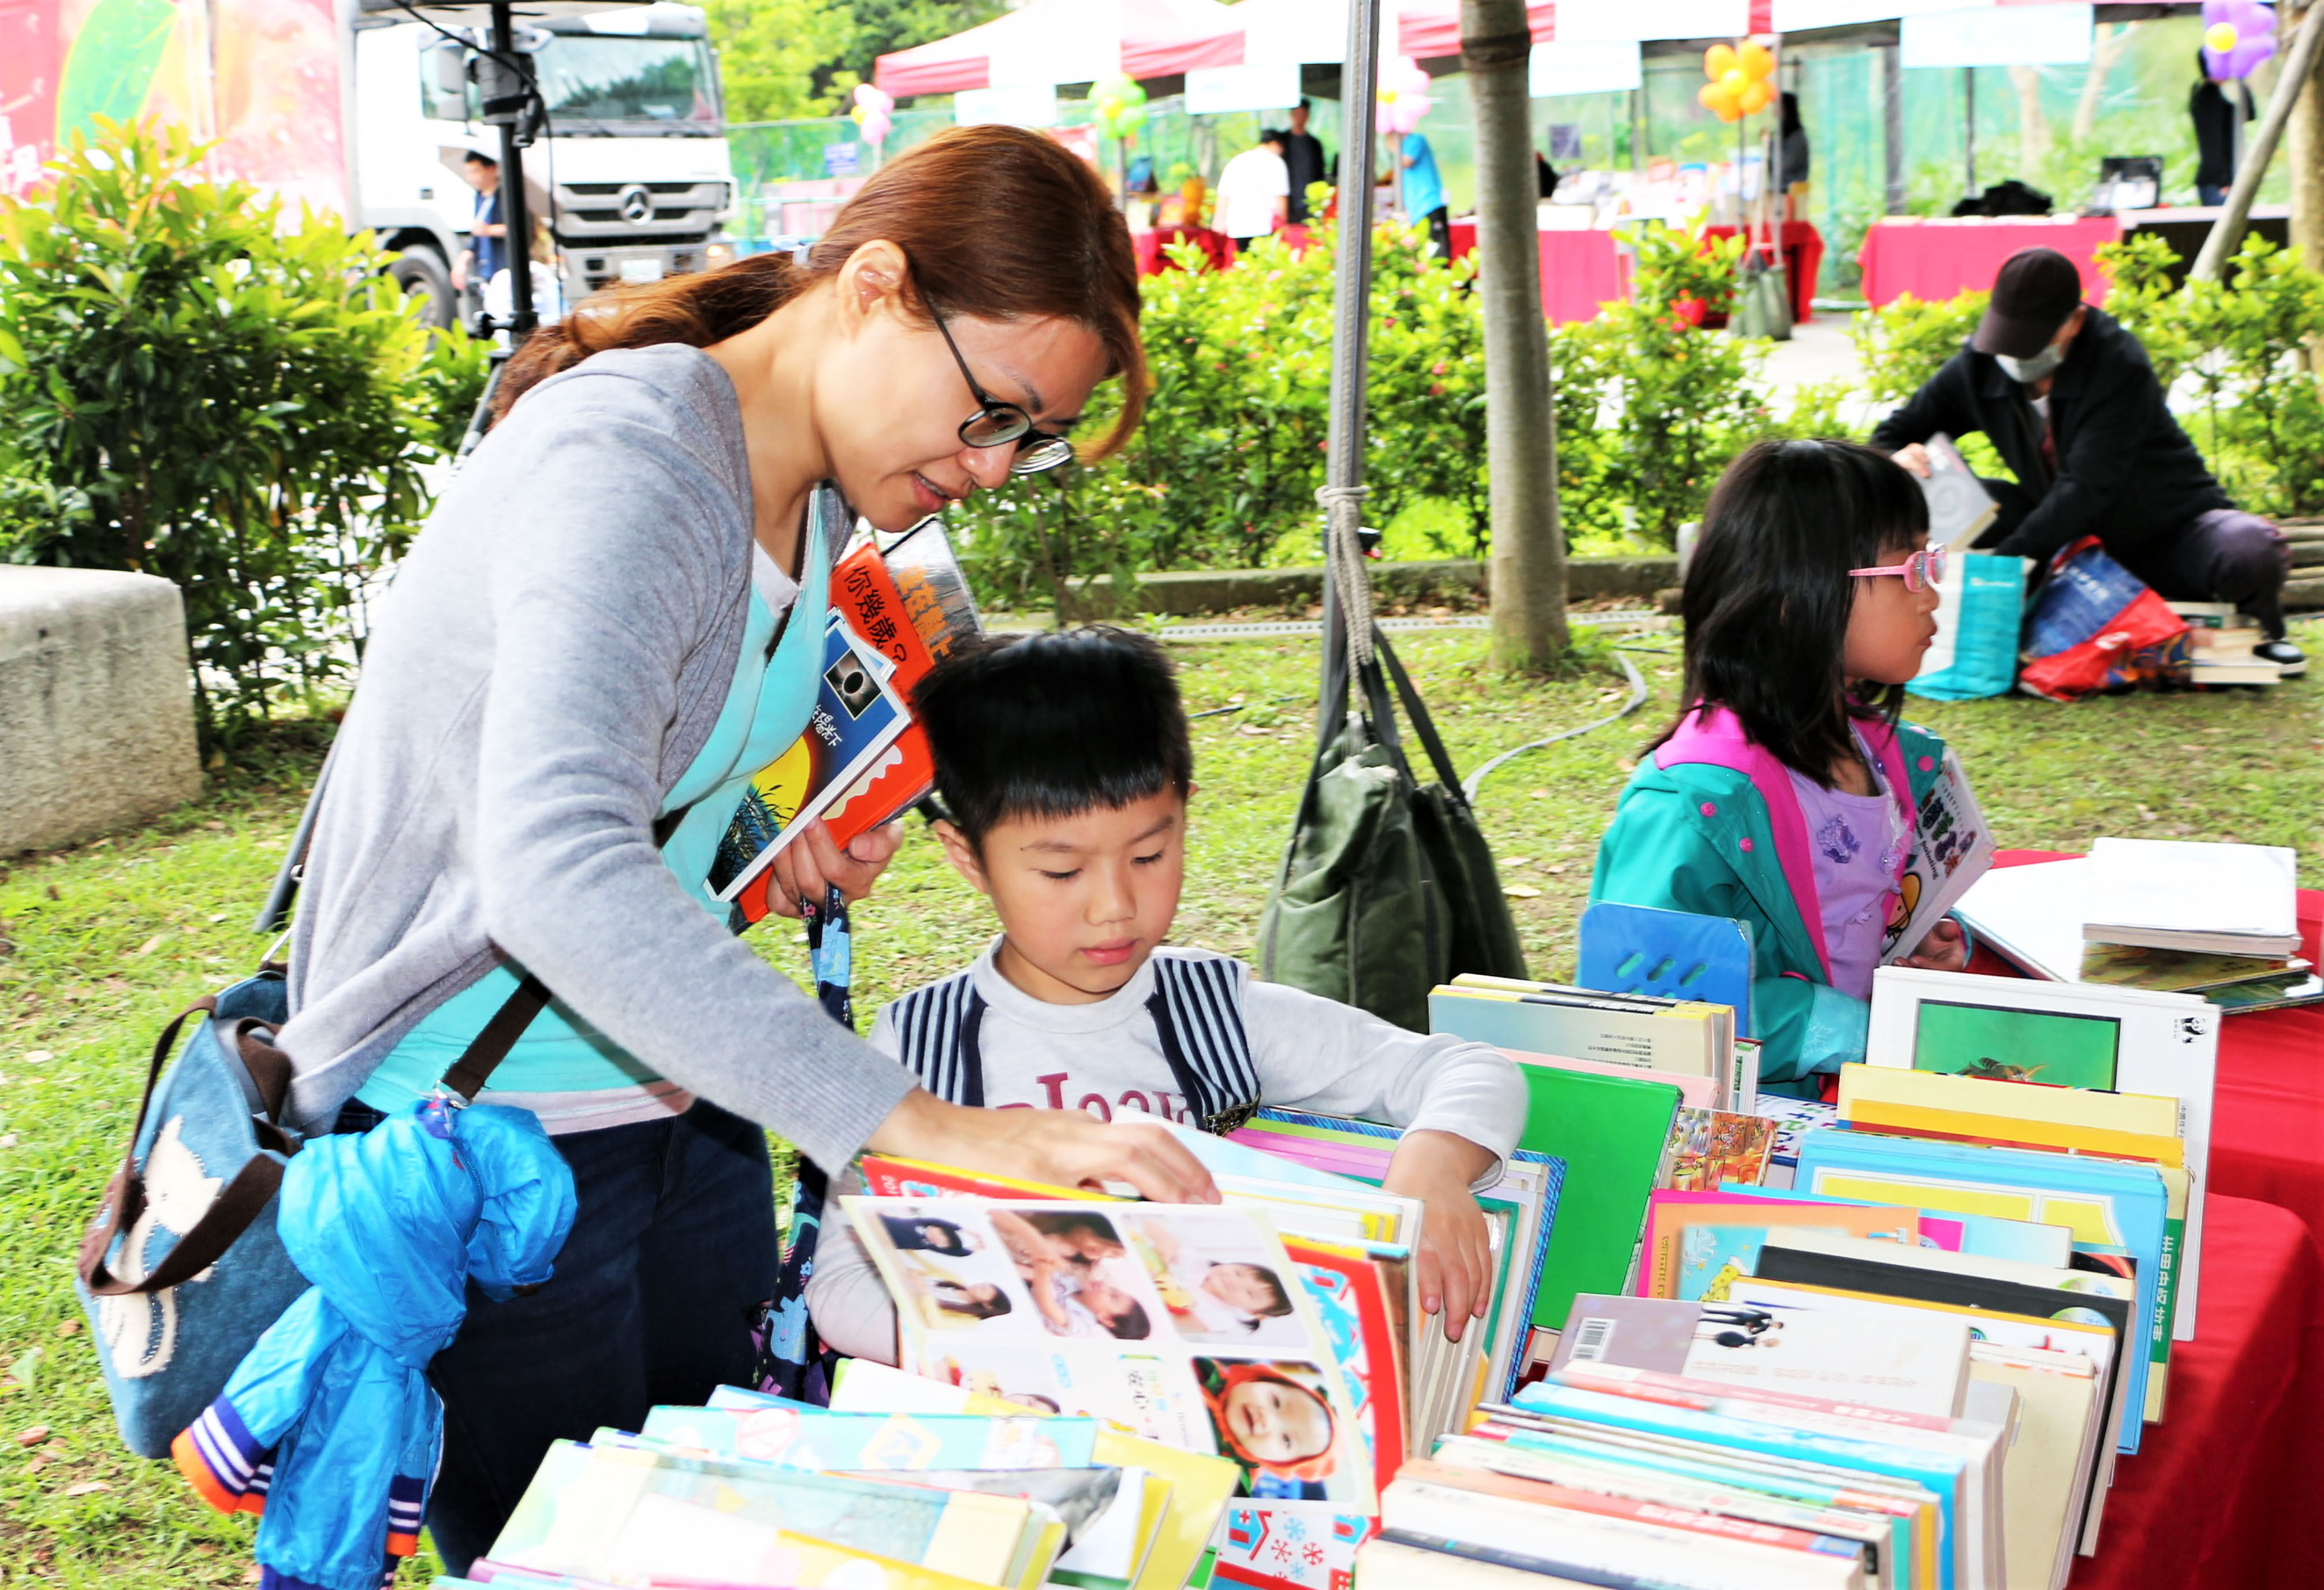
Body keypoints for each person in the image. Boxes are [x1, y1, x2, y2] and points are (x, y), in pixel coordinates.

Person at [273, 125, 1221, 1572]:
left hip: (676, 1104)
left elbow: (646, 767)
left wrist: (757, 845)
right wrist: (914, 1121)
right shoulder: (636, 461)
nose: (989, 468)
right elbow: (546, 859)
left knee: (719, 1532)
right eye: (992, 414)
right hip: (491, 1149)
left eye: (1025, 444)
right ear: (877, 287)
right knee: (575, 1552)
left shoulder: (820, 484)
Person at [806, 627, 1526, 1361]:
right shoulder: (917, 1046)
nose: (1115, 906)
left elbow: (1468, 1069)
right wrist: (1008, 1348)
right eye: (1061, 872)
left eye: (1148, 854)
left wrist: (1430, 1173)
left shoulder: (1211, 1010)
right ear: (968, 855)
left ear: (1183, 810)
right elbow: (838, 1280)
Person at [1590, 440, 1977, 1097]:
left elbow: (1855, 896)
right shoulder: (1692, 805)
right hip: (1750, 1125)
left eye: (1931, 561)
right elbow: (1639, 1005)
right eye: (1910, 568)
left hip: (1853, 1090)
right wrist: (1844, 1030)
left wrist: (1920, 934)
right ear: (1799, 595)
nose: (1931, 595)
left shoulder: (1883, 754)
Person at [1872, 247, 2302, 673]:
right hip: (2062, 538)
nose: (2015, 355)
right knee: (1935, 495)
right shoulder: (1981, 365)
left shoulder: (2118, 364)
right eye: (2008, 339)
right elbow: (1892, 433)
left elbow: (2087, 487)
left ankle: (2264, 632)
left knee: (2247, 549)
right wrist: (1898, 459)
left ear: (2074, 322)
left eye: (2030, 341)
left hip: (2168, 532)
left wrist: (2000, 571)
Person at [2191, 49, 2250, 206]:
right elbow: (2214, 141)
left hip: (2220, 180)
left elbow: (2247, 114)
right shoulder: (2209, 97)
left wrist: (2241, 80)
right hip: (2217, 183)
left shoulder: (2214, 95)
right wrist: (2223, 180)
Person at [1215, 128, 1291, 247]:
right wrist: (1283, 223)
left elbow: (1224, 194)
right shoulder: (1276, 162)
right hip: (1265, 226)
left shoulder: (1237, 161)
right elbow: (1281, 197)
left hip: (1238, 226)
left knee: (1245, 262)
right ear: (1275, 144)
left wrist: (1219, 219)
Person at [450, 149, 505, 307]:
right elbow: (475, 238)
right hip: (486, 269)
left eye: (476, 171)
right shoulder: (480, 197)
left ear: (492, 169)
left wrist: (489, 230)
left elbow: (520, 229)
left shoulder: (505, 195)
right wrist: (461, 263)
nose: (472, 178)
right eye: (468, 173)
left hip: (503, 267)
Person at [1399, 129, 1450, 257]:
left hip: (1430, 204)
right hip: (1416, 209)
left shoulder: (1416, 140)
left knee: (1436, 249)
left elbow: (1407, 161)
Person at [1282, 99, 1328, 224]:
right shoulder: (1283, 141)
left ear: (1308, 116)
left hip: (1310, 202)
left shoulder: (1314, 144)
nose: (1300, 118)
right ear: (1291, 115)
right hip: (1289, 201)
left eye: (1303, 114)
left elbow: (1320, 172)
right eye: (1297, 114)